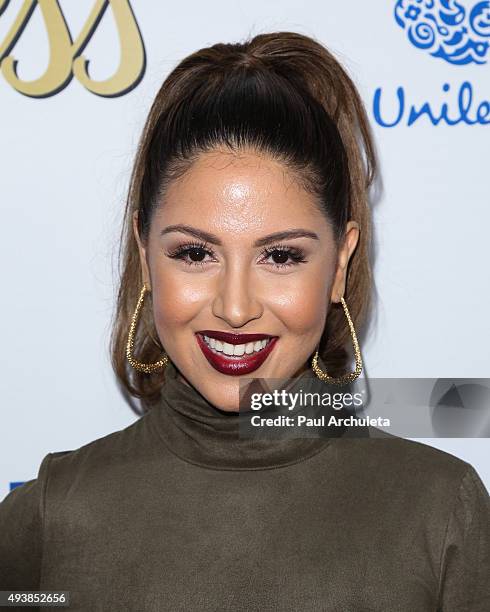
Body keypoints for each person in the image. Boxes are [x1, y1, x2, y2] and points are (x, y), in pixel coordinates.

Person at [1, 31, 489, 611]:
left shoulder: (440, 513)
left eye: (281, 256)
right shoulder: (51, 518)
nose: (235, 309)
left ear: (339, 265)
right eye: (194, 253)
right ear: (144, 254)